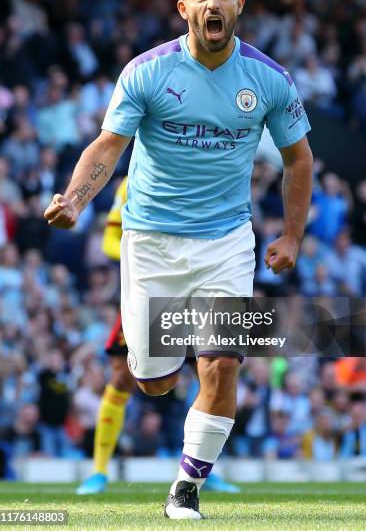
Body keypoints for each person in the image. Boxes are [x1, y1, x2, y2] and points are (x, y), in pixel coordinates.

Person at [44, 0, 313, 520]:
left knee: (221, 364)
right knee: (155, 383)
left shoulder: (268, 79)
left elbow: (299, 160)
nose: (213, 4)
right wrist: (73, 199)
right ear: (184, 7)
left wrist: (291, 236)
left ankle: (187, 486)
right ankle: (168, 375)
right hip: (151, 240)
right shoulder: (146, 71)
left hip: (226, 241)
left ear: (239, 5)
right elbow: (108, 147)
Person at [76, 177, 238, 494]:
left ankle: (200, 466)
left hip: (193, 291)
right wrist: (141, 256)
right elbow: (109, 240)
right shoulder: (131, 183)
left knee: (212, 374)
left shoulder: (204, 175)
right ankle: (99, 471)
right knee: (122, 378)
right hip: (148, 290)